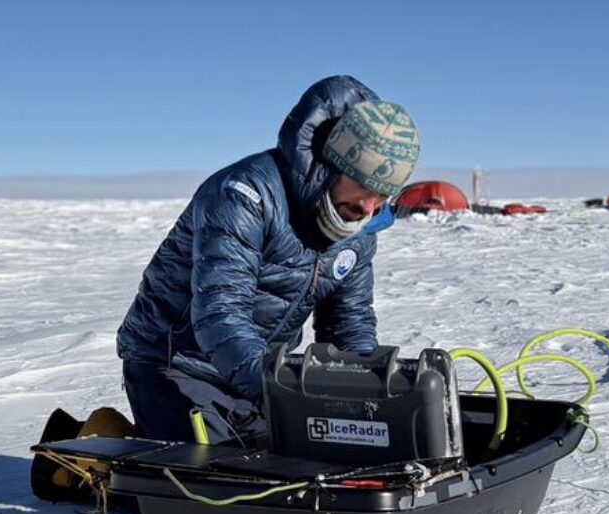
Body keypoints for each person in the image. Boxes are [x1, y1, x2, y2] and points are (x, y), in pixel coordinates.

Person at [115, 75, 420, 443]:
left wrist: (362, 400)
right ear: (331, 165)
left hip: (259, 370)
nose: (368, 208)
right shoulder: (244, 196)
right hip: (175, 363)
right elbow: (220, 316)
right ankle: (95, 443)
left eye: (383, 196)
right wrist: (281, 392)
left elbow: (348, 326)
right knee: (219, 481)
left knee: (310, 457)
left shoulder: (359, 230)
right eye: (363, 187)